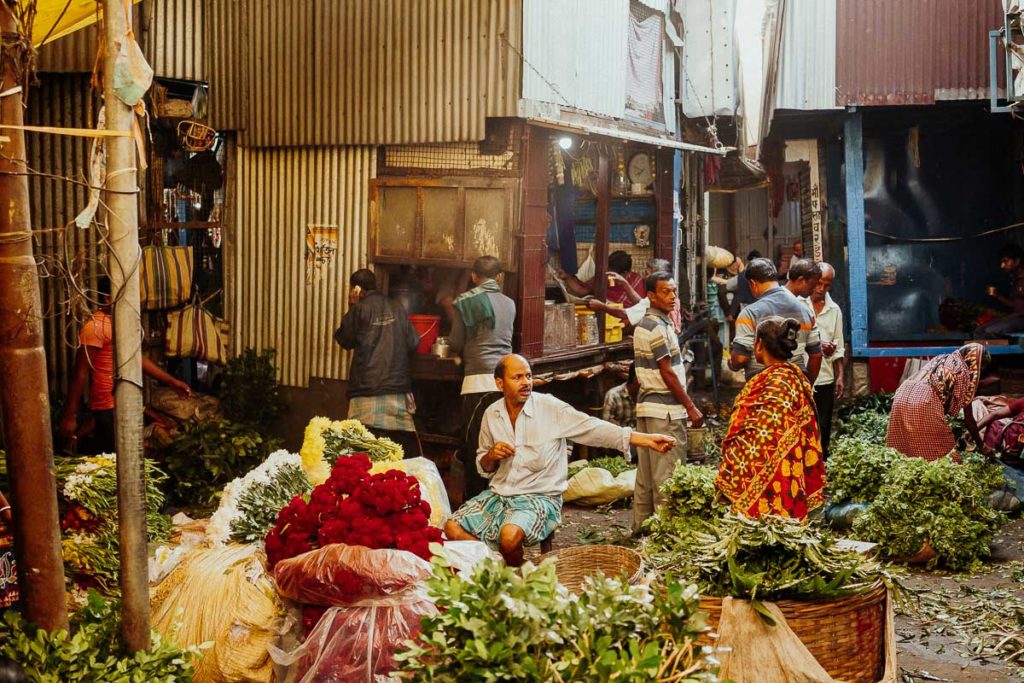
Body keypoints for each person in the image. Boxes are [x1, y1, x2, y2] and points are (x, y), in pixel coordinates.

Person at [443, 354, 676, 566]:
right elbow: (483, 466)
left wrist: (645, 439)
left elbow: (593, 428)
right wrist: (492, 455)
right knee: (451, 528)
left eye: (528, 376)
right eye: (517, 377)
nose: (526, 382)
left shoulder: (549, 407)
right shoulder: (492, 414)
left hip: (540, 496)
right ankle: (504, 565)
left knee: (509, 537)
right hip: (500, 495)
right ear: (500, 384)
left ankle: (517, 570)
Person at [58, 277, 192, 454]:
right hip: (107, 407)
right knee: (112, 458)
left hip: (121, 401)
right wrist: (70, 416)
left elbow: (135, 358)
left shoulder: (119, 324)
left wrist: (171, 381)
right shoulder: (94, 327)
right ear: (107, 299)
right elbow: (80, 373)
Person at [715, 317, 826, 520]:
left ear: (759, 344)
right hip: (790, 471)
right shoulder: (795, 379)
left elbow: (748, 437)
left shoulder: (766, 383)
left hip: (759, 476)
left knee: (759, 526)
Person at [632, 271, 703, 533]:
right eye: (666, 292)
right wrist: (690, 407)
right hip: (665, 411)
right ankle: (666, 535)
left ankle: (642, 530)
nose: (672, 296)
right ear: (651, 296)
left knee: (646, 475)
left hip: (648, 407)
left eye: (673, 291)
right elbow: (667, 371)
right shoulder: (657, 328)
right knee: (667, 476)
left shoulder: (646, 323)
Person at [445, 256, 516, 501]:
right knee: (500, 440)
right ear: (500, 277)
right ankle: (500, 497)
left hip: (477, 381)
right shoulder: (510, 304)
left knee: (476, 445)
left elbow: (455, 343)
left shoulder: (466, 301)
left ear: (474, 276)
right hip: (504, 381)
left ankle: (475, 501)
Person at [335, 268, 423, 458]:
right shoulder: (398, 307)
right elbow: (414, 342)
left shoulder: (359, 309)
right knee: (397, 456)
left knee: (362, 456)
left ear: (357, 290)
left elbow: (345, 339)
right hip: (397, 391)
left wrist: (352, 306)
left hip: (365, 391)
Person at [886, 343, 989, 461]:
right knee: (945, 452)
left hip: (902, 393)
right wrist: (982, 445)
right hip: (923, 400)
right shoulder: (963, 372)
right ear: (976, 362)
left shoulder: (942, 358)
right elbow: (969, 418)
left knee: (906, 445)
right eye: (980, 368)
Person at [729, 258, 822, 383]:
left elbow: (740, 359)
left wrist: (732, 364)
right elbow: (816, 355)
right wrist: (806, 386)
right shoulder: (806, 312)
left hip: (763, 387)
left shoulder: (749, 313)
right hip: (795, 385)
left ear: (753, 283)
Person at [799, 263, 846, 459]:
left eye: (826, 285)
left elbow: (839, 346)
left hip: (825, 377)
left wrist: (840, 376)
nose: (821, 289)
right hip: (801, 375)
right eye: (818, 283)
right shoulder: (798, 303)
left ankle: (821, 464)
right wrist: (818, 344)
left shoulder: (834, 310)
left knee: (823, 426)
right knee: (801, 424)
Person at [559, 250, 646, 306]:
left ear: (625, 273)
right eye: (608, 271)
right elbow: (581, 290)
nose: (609, 277)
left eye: (613, 275)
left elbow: (640, 307)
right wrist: (567, 278)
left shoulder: (636, 281)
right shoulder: (604, 277)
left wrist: (624, 283)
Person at [976, 243, 1024, 338]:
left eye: (1005, 261)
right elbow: (1017, 305)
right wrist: (997, 296)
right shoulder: (1016, 280)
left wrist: (1011, 316)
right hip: (1016, 317)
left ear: (1017, 261)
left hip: (1021, 319)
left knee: (989, 331)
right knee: (979, 330)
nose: (1002, 266)